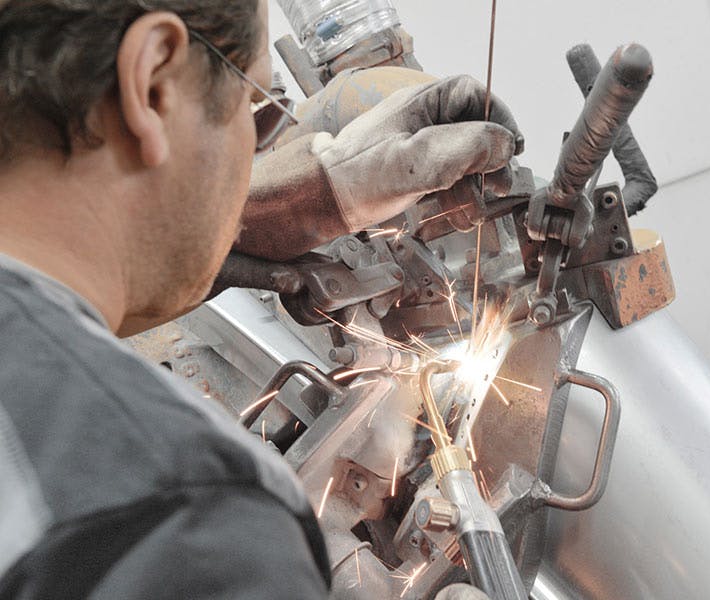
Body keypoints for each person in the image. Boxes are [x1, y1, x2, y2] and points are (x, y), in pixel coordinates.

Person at [0, 0, 522, 597]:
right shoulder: (187, 520)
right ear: (153, 82)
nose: (259, 146)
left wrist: (295, 198)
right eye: (259, 113)